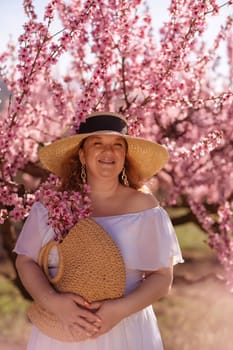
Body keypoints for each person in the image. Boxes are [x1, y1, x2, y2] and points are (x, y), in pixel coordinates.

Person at [14, 111, 183, 350]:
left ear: (125, 156)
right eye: (97, 143)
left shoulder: (145, 209)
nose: (108, 151)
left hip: (126, 328)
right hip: (61, 328)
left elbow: (162, 277)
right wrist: (56, 304)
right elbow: (25, 261)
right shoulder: (52, 205)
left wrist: (117, 311)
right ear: (82, 154)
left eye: (117, 145)